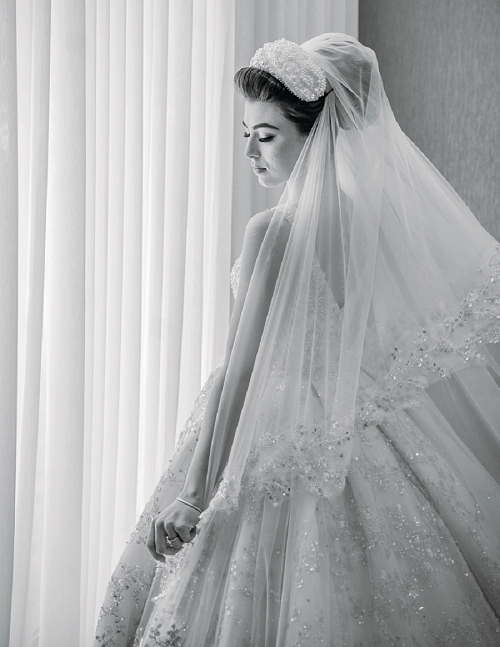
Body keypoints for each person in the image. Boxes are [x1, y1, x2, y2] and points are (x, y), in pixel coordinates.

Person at [95, 34, 500, 647]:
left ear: (317, 136)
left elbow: (239, 374)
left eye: (269, 135)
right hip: (359, 427)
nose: (252, 152)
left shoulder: (274, 231)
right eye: (247, 133)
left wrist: (195, 495)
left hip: (271, 430)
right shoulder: (376, 225)